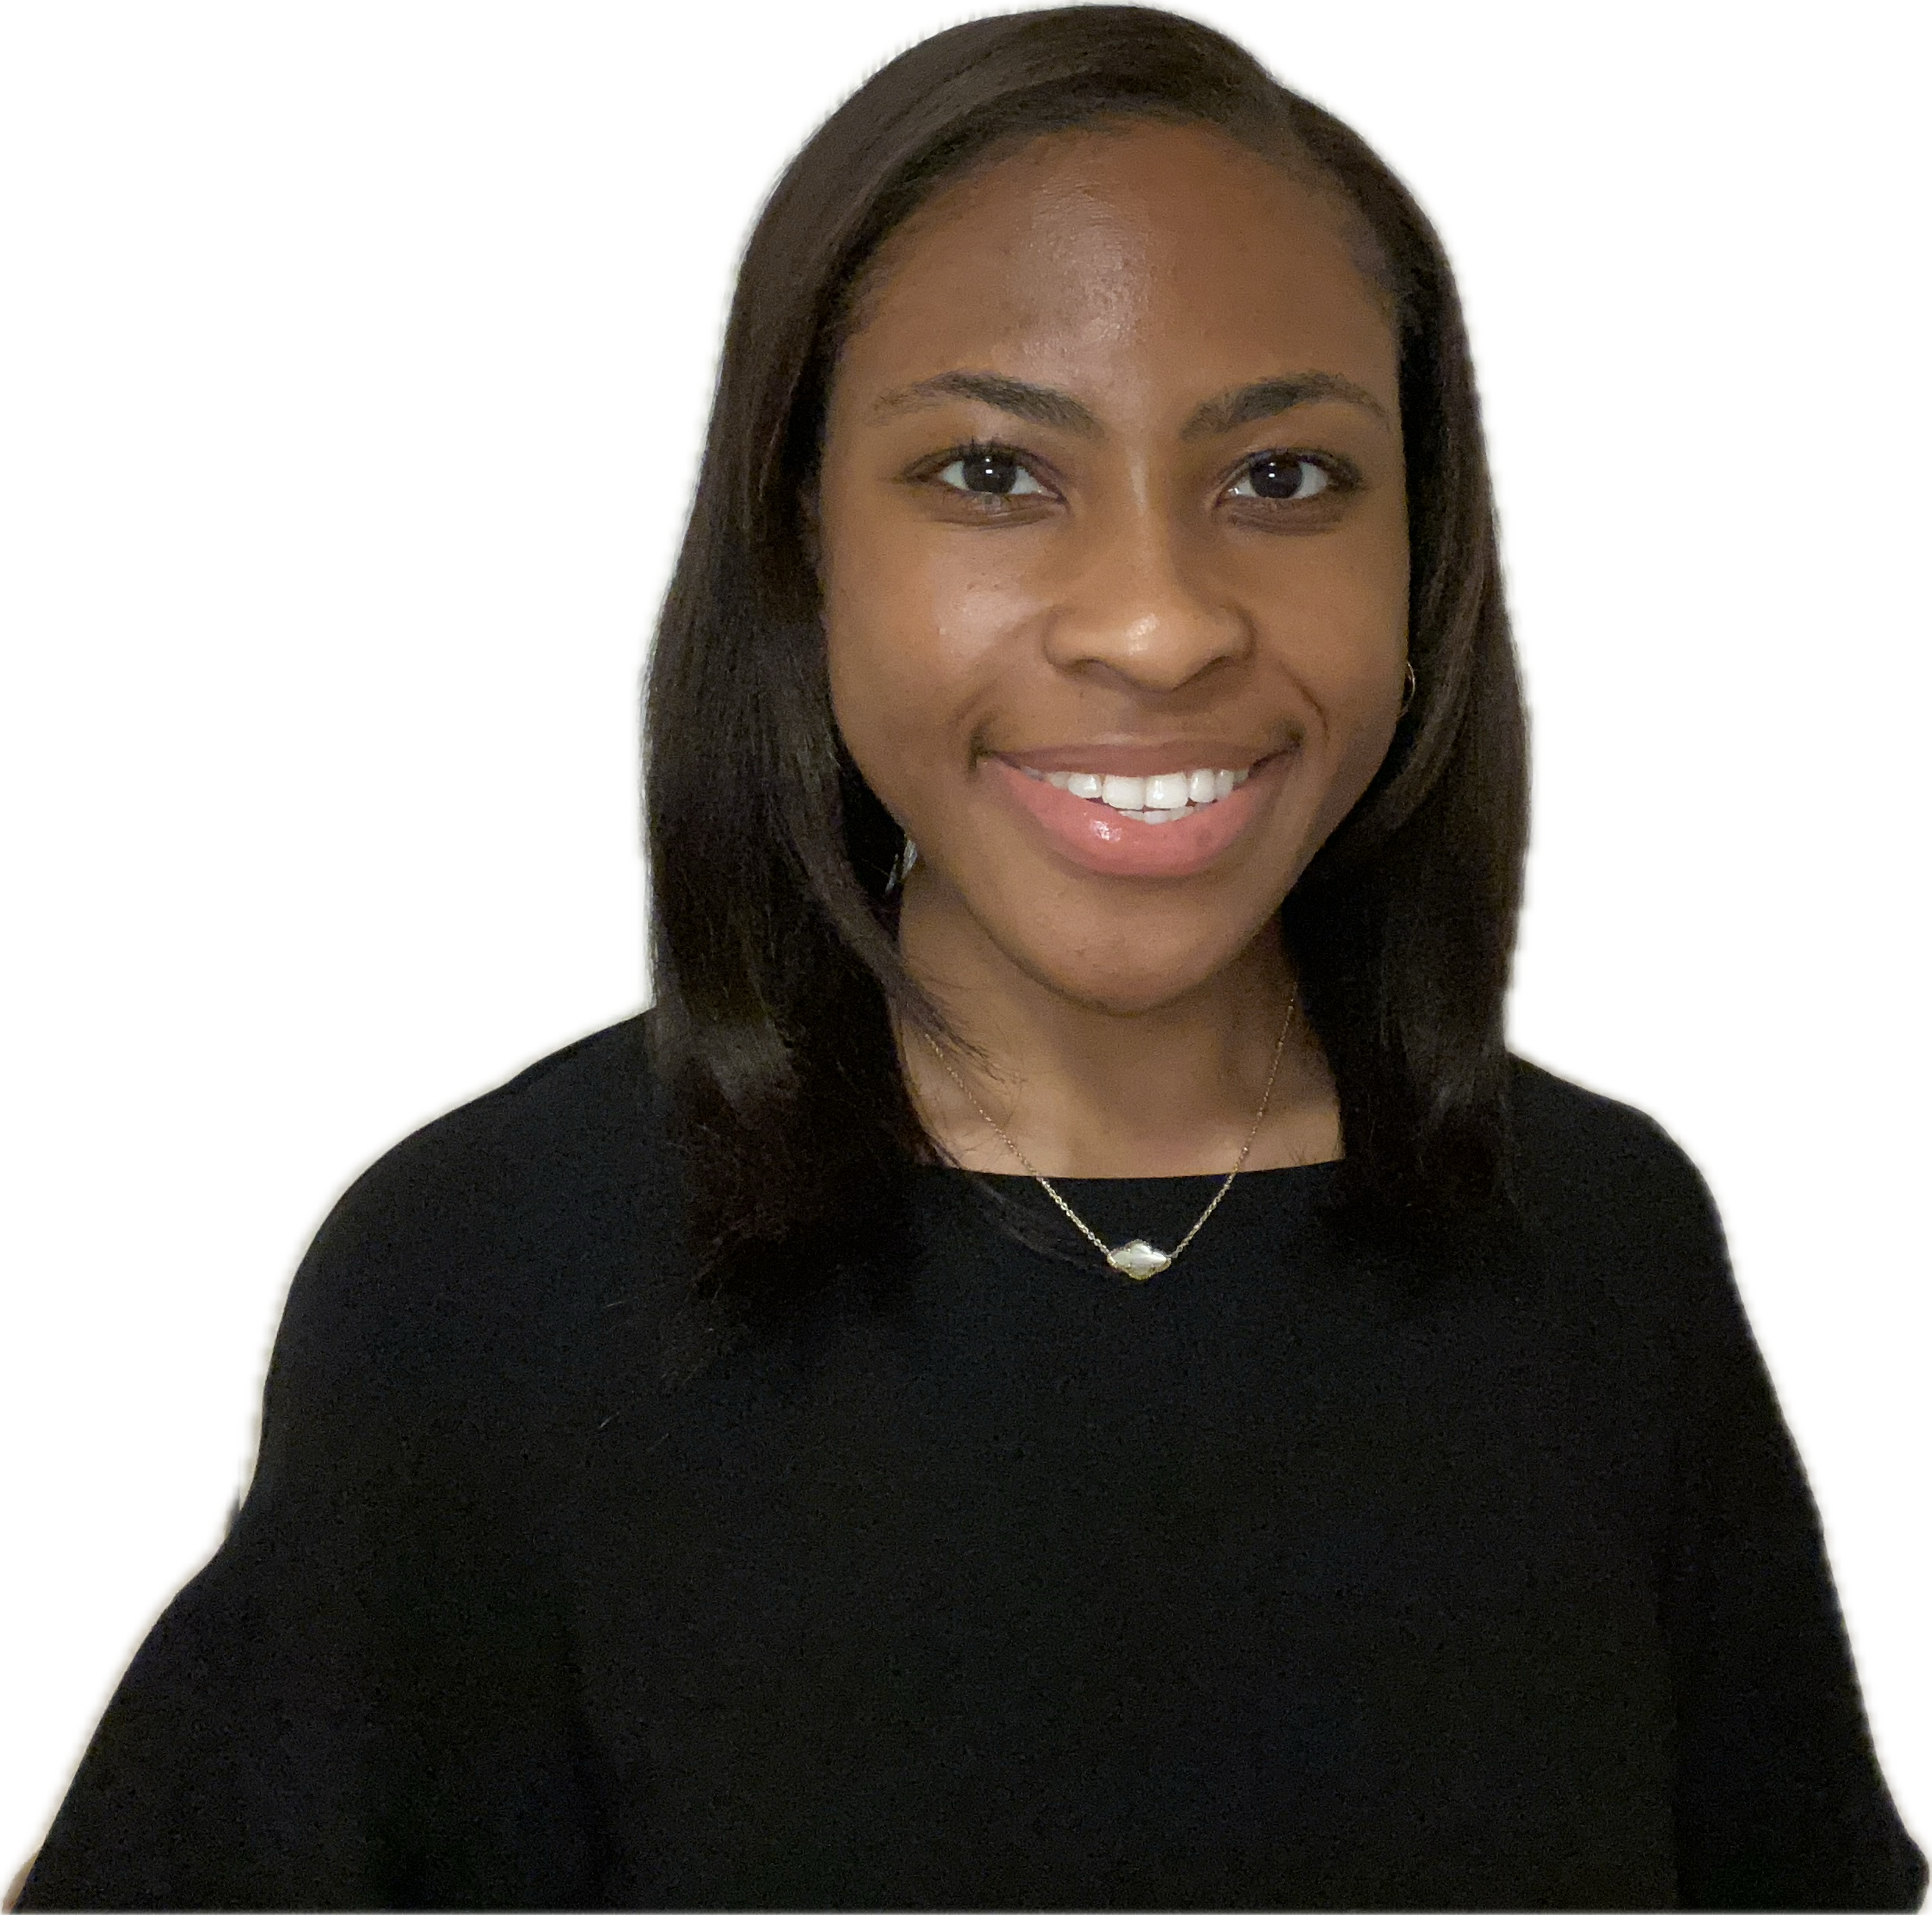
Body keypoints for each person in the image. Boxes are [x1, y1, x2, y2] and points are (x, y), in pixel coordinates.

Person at [9, 2, 1930, 1910]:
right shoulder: (494, 1278)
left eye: (1283, 479)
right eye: (994, 474)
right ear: (804, 543)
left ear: (1421, 566)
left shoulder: (1606, 1246)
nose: (1163, 624)